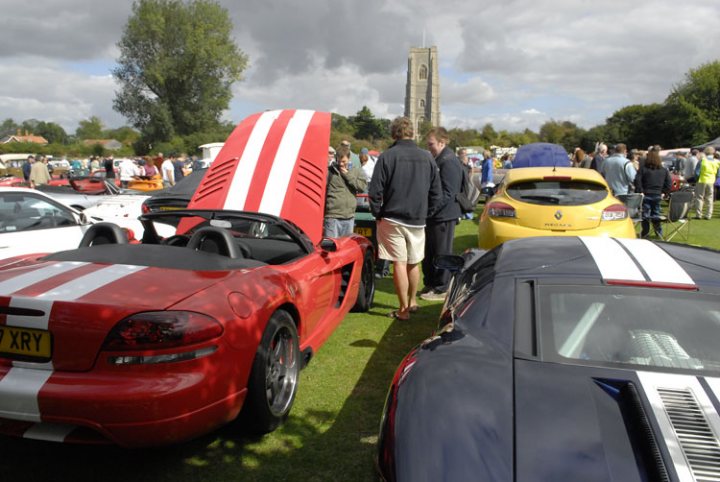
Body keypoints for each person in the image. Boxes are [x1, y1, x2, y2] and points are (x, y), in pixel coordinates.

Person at [369, 116, 442, 321]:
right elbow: (437, 193)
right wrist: (427, 212)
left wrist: (378, 213)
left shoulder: (387, 156)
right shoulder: (427, 157)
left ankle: (403, 310)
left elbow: (374, 190)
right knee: (414, 263)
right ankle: (412, 302)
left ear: (394, 133)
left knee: (400, 263)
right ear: (412, 133)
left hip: (392, 218)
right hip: (417, 219)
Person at [420, 128, 463, 301]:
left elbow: (447, 193)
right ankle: (432, 283)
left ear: (442, 142)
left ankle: (442, 287)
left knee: (441, 252)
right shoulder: (441, 159)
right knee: (431, 251)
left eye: (431, 144)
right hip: (437, 215)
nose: (428, 147)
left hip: (443, 216)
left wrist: (430, 211)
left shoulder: (449, 161)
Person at [323, 147, 367, 237]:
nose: (341, 164)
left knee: (346, 249)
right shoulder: (329, 171)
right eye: (339, 161)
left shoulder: (356, 171)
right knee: (331, 248)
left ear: (349, 159)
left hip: (349, 217)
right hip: (332, 216)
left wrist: (348, 175)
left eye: (344, 161)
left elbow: (362, 187)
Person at [634, 147, 671, 238]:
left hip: (646, 194)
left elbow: (637, 181)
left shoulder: (643, 169)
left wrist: (640, 191)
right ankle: (658, 232)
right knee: (656, 214)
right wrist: (664, 192)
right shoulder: (663, 170)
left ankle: (645, 232)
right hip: (657, 194)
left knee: (645, 215)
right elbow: (669, 183)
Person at [694, 146, 720, 220]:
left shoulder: (702, 160)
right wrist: (715, 180)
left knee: (699, 198)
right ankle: (708, 215)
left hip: (702, 180)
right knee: (709, 198)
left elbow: (696, 173)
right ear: (713, 152)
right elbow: (718, 174)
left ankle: (699, 214)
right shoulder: (717, 162)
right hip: (711, 181)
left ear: (705, 152)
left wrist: (696, 179)